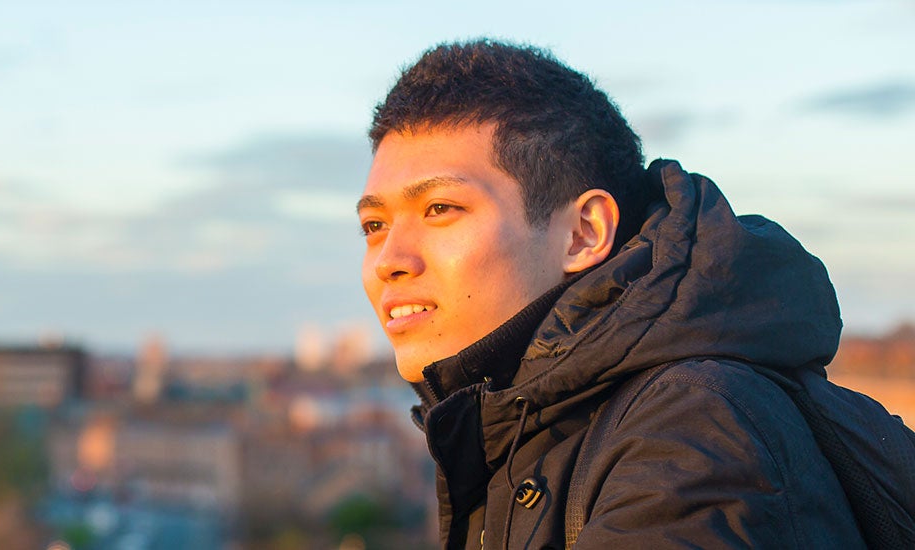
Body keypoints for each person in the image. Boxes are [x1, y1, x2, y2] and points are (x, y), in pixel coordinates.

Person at [358, 39, 863, 549]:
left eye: (440, 209)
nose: (388, 260)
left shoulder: (689, 436)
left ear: (583, 233)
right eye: (374, 224)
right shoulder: (516, 429)